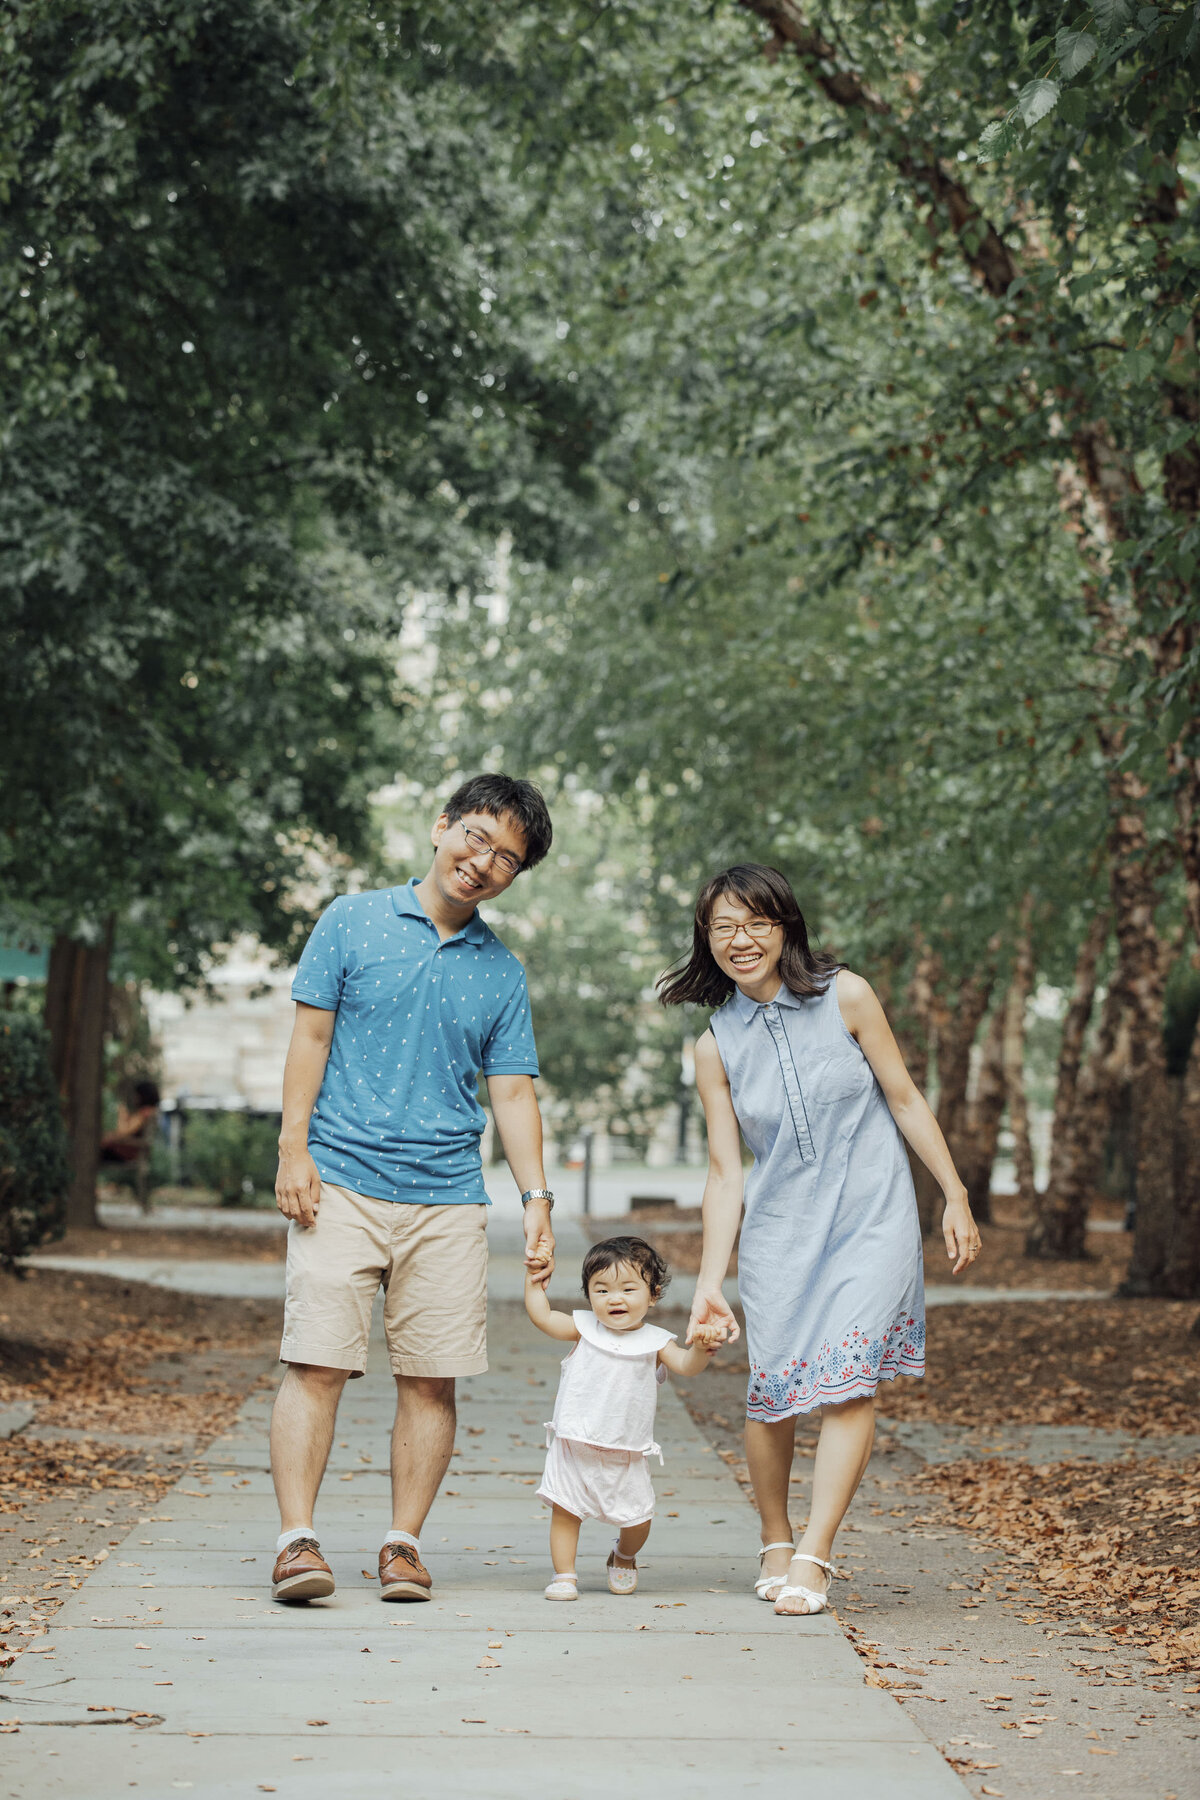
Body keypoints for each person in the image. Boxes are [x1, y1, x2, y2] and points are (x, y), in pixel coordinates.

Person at [660, 864, 981, 1618]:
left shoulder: (848, 995)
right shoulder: (715, 1047)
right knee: (774, 1394)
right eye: (723, 927)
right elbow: (725, 1174)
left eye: (756, 923)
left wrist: (955, 1193)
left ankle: (814, 1551)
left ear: (785, 927)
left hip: (872, 1218)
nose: (741, 940)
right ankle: (775, 1537)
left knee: (850, 1379)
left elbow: (904, 1098)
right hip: (781, 1230)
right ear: (707, 940)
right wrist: (710, 1282)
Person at [269, 774, 557, 1605]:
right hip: (340, 1182)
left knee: (433, 1378)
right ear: (442, 827)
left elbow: (512, 1094)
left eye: (507, 858)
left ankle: (403, 1546)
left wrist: (536, 1200)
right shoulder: (351, 920)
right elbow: (310, 1037)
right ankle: (296, 1544)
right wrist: (293, 1149)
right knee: (316, 1362)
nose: (483, 862)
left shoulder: (501, 972)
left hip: (448, 1198)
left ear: (514, 876)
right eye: (477, 837)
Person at [524, 1234, 719, 1601]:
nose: (615, 1298)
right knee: (566, 1512)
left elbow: (686, 1365)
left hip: (626, 1451)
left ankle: (624, 1555)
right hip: (574, 1444)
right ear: (588, 1295)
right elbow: (543, 1316)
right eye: (601, 1290)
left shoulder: (657, 1342)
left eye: (628, 1289)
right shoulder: (583, 1329)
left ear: (653, 1294)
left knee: (638, 1519)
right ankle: (564, 1575)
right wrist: (534, 1280)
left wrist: (702, 1348)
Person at [99, 1079, 160, 1164]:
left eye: (137, 1095)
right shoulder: (148, 1112)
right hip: (127, 1150)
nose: (135, 1098)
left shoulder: (145, 1113)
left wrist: (122, 1114)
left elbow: (124, 1131)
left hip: (126, 1153)